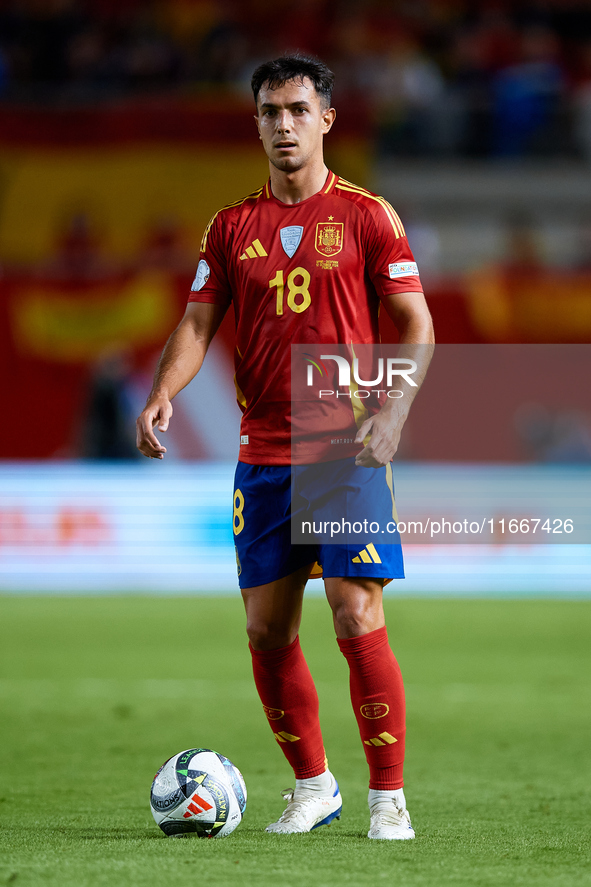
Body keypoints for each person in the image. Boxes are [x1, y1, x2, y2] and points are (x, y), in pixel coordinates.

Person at [136, 54, 434, 840]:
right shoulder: (232, 227)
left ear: (326, 120)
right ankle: (313, 787)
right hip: (262, 447)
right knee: (268, 630)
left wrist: (395, 410)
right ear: (257, 122)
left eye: (298, 110)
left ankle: (387, 798)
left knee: (352, 612)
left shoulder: (369, 216)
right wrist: (166, 387)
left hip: (344, 446)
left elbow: (415, 323)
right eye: (270, 112)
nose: (283, 125)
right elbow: (198, 322)